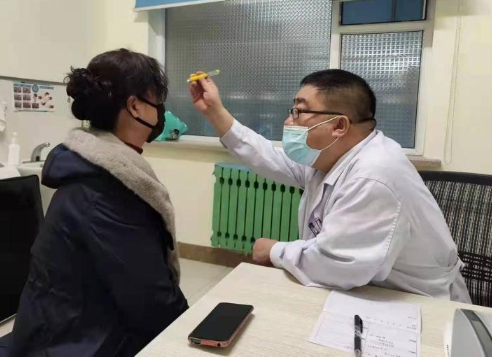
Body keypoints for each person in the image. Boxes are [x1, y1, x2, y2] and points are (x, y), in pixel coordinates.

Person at [0, 49, 188, 357]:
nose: (161, 112)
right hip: (71, 344)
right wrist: (192, 331)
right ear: (134, 106)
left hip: (76, 325)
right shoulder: (104, 191)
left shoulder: (93, 169)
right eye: (156, 100)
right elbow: (152, 301)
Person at [189, 69, 471, 303]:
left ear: (339, 126)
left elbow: (338, 265)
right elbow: (269, 158)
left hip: (417, 305)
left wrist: (273, 250)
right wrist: (215, 112)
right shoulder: (332, 158)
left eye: (299, 111)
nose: (288, 121)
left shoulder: (373, 175)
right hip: (367, 292)